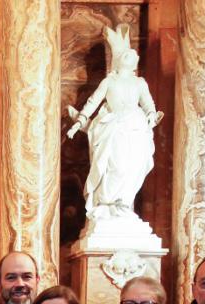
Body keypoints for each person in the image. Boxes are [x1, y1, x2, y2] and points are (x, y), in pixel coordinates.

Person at [65, 24, 159, 224]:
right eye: (124, 53)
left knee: (133, 165)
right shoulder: (110, 81)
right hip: (113, 128)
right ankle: (107, 204)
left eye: (130, 53)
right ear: (117, 60)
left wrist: (151, 115)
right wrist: (78, 122)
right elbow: (92, 102)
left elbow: (149, 103)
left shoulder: (140, 83)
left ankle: (123, 202)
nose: (129, 54)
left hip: (135, 128)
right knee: (114, 165)